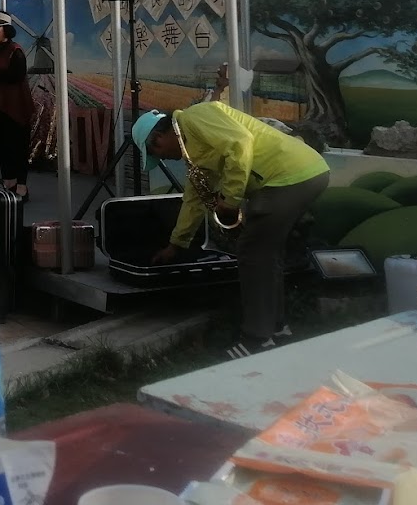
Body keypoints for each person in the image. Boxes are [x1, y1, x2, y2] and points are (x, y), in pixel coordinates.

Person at [133, 101, 330, 358]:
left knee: (252, 253)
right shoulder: (195, 152)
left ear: (158, 138)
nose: (163, 159)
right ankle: (278, 329)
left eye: (157, 154)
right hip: (303, 173)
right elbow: (193, 200)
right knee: (266, 255)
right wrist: (176, 244)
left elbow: (240, 143)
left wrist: (230, 199)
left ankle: (257, 339)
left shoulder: (195, 117)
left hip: (288, 176)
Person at [0, 10, 34, 199]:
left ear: (6, 30)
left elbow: (17, 75)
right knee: (2, 148)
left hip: (16, 108)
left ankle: (22, 188)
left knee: (18, 148)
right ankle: (9, 183)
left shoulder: (16, 51)